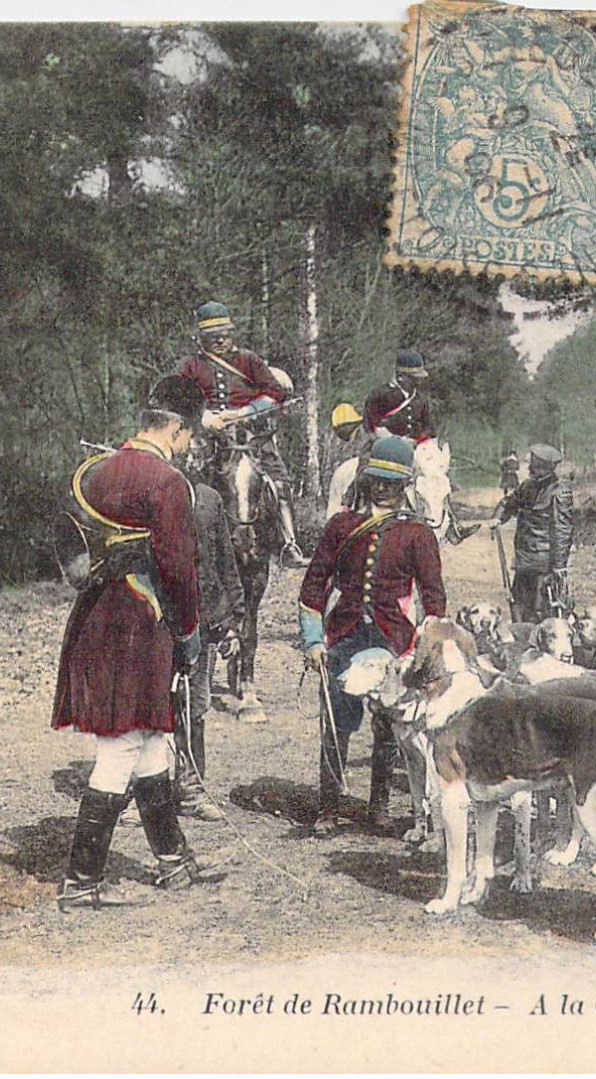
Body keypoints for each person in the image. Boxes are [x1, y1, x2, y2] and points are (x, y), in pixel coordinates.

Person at [51, 375, 218, 910]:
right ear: (174, 428)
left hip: (96, 616)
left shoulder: (93, 472)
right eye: (189, 436)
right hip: (142, 622)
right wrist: (190, 632)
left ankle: (172, 859)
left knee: (150, 738)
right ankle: (81, 882)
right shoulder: (169, 483)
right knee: (122, 744)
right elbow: (178, 568)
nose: (189, 446)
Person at [299, 434, 447, 836]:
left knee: (388, 729)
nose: (383, 488)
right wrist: (314, 641)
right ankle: (328, 805)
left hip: (393, 641)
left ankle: (378, 806)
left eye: (392, 481)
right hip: (343, 637)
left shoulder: (418, 534)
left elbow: (434, 601)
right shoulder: (341, 526)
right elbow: (313, 588)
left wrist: (423, 651)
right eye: (376, 479)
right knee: (335, 724)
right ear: (365, 479)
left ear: (405, 485)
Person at [176, 300, 306, 567]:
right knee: (181, 489)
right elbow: (173, 397)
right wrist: (204, 418)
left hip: (251, 438)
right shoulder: (190, 365)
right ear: (200, 338)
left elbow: (275, 392)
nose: (221, 339)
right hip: (204, 439)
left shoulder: (249, 360)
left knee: (279, 483)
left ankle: (289, 543)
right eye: (213, 336)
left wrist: (244, 412)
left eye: (225, 333)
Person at [174, 476, 245, 822]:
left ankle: (191, 790)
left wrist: (232, 618)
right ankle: (140, 796)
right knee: (150, 711)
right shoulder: (144, 494)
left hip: (202, 621)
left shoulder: (209, 499)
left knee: (196, 706)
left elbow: (224, 563)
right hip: (155, 624)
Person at [492, 443, 573, 623]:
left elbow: (562, 532)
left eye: (535, 466)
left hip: (544, 563)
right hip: (524, 559)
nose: (529, 469)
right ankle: (521, 645)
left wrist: (559, 565)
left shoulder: (559, 493)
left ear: (547, 468)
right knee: (518, 604)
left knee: (540, 610)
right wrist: (498, 518)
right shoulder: (527, 486)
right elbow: (509, 502)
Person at [364, 349, 437, 442]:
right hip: (384, 448)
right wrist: (397, 443)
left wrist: (420, 442)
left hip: (415, 449)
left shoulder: (420, 398)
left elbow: (429, 428)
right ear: (400, 376)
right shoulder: (379, 395)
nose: (418, 382)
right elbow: (370, 428)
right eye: (413, 378)